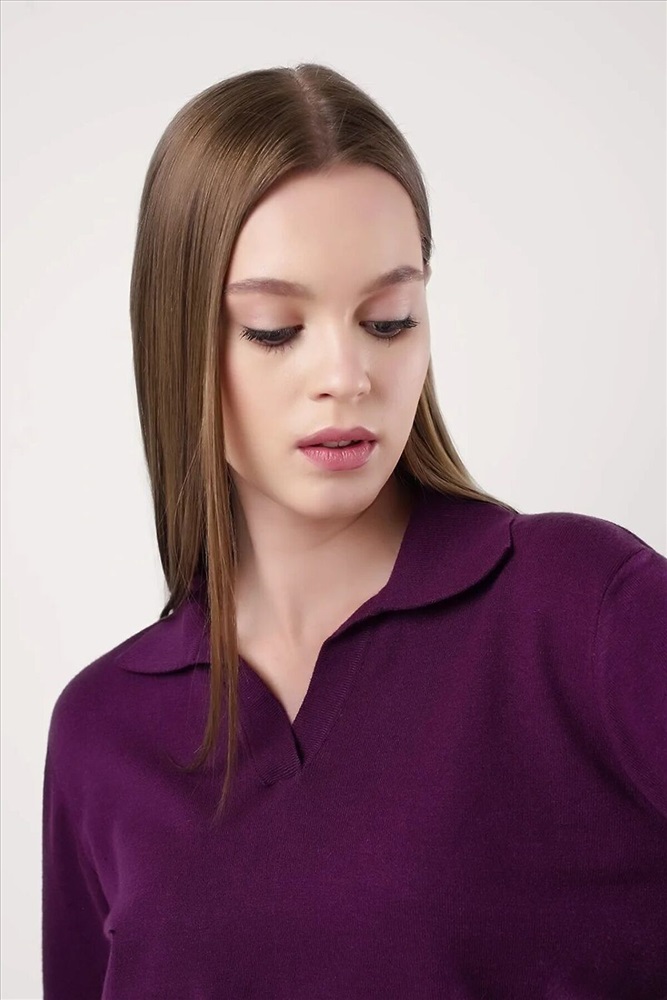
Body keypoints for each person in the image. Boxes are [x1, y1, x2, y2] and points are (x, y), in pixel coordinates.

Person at [41, 63, 667, 999]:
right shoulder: (101, 730)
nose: (345, 375)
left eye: (386, 320)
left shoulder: (587, 613)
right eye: (273, 329)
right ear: (175, 335)